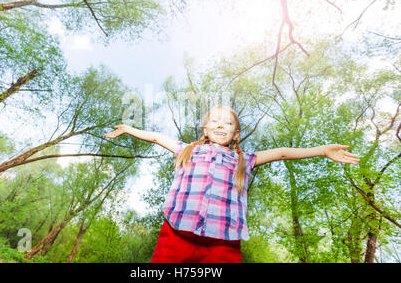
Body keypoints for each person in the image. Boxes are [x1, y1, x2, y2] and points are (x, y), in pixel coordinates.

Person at [104, 105, 359, 263]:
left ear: (236, 134)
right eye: (215, 121)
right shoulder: (187, 150)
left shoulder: (244, 160)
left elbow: (281, 152)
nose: (220, 125)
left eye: (227, 123)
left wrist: (321, 150)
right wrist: (129, 128)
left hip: (222, 244)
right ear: (205, 130)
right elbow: (157, 137)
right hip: (176, 235)